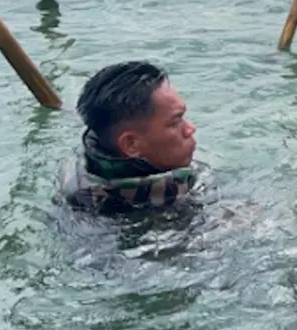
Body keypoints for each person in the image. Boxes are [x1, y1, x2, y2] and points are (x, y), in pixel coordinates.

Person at [56, 61, 201, 215]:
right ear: (131, 144)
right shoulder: (112, 212)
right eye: (175, 122)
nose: (190, 129)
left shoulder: (85, 163)